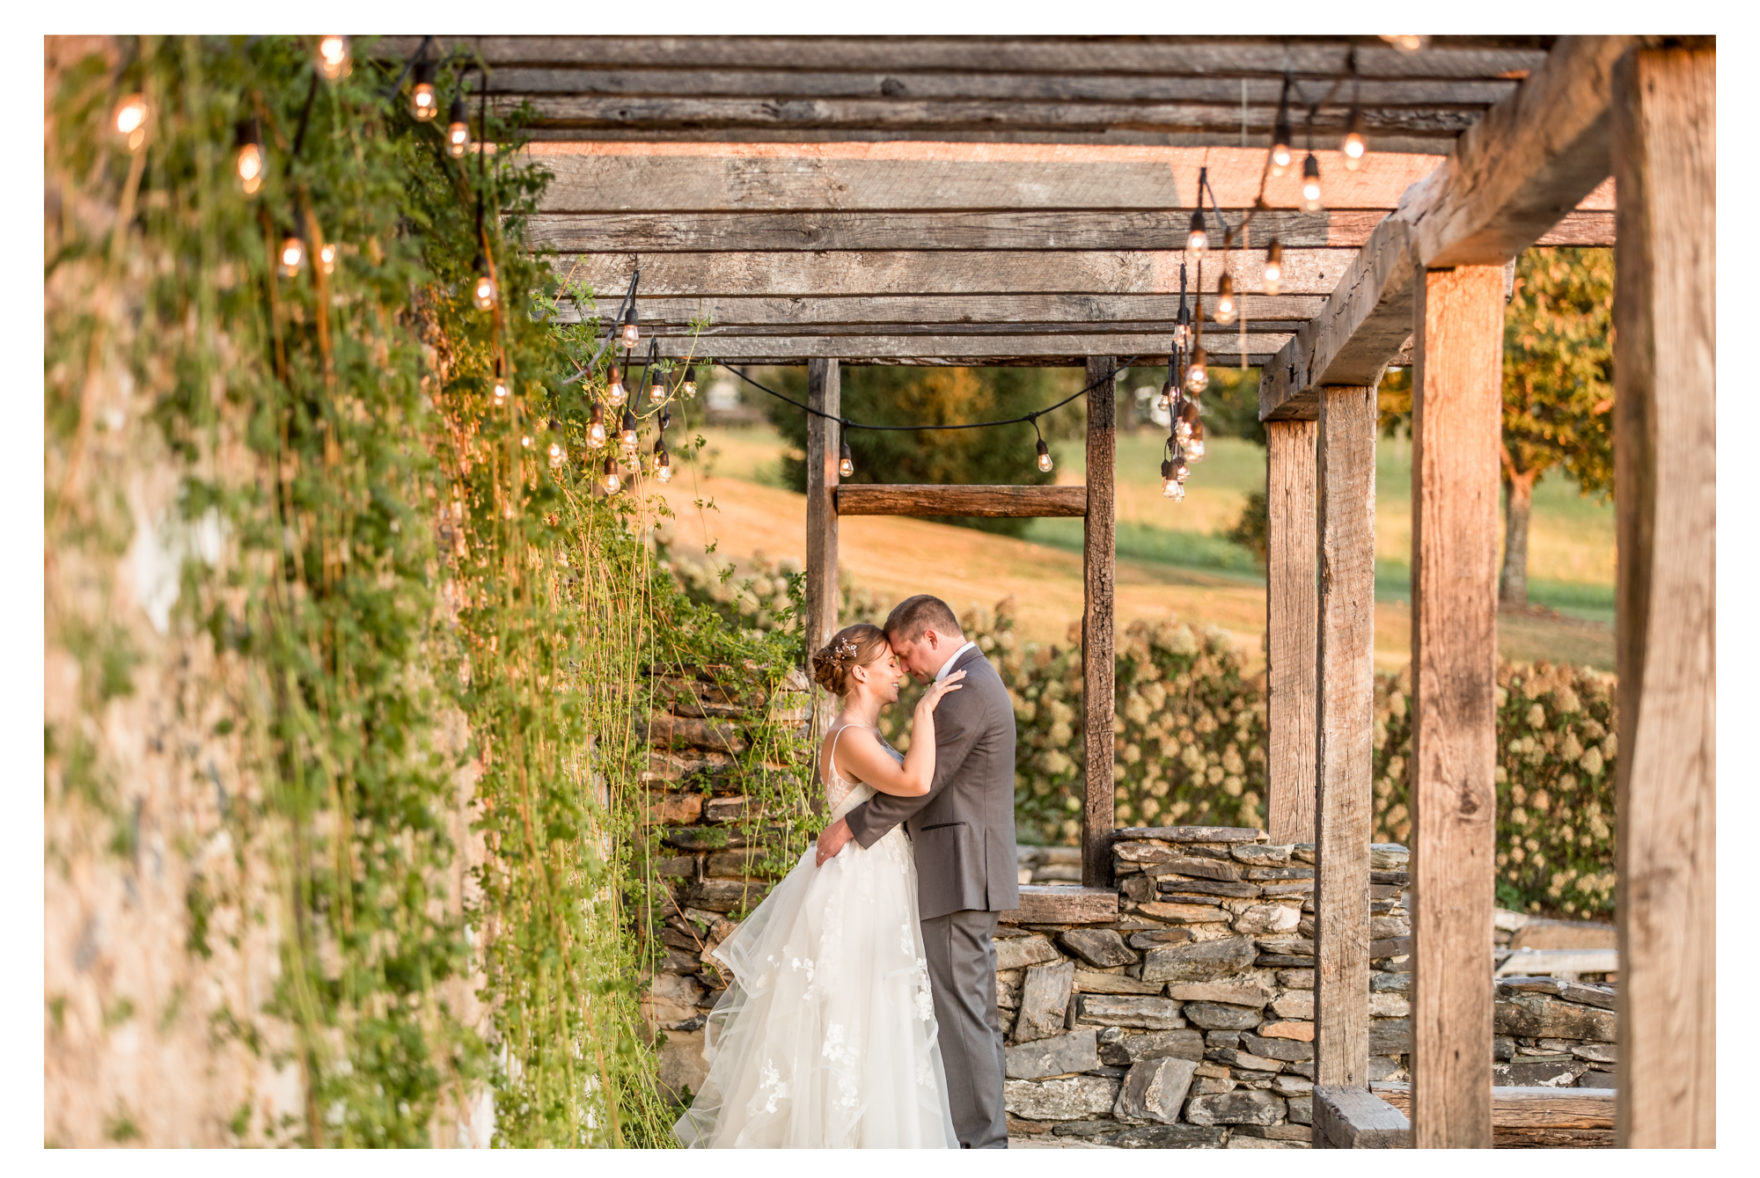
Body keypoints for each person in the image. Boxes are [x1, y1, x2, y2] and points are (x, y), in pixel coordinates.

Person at [673, 622, 966, 1148]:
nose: (900, 670)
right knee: (853, 1013)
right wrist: (926, 713)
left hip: (875, 879)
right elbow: (916, 783)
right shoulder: (851, 737)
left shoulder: (862, 734)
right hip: (860, 888)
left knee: (872, 1014)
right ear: (860, 673)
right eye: (889, 664)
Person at [815, 595, 1019, 1149]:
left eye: (905, 654)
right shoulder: (966, 681)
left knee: (963, 1016)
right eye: (892, 662)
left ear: (930, 638)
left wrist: (852, 825)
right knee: (963, 1013)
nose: (904, 668)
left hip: (959, 872)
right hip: (956, 870)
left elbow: (919, 783)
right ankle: (977, 1140)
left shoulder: (965, 689)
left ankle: (983, 1147)